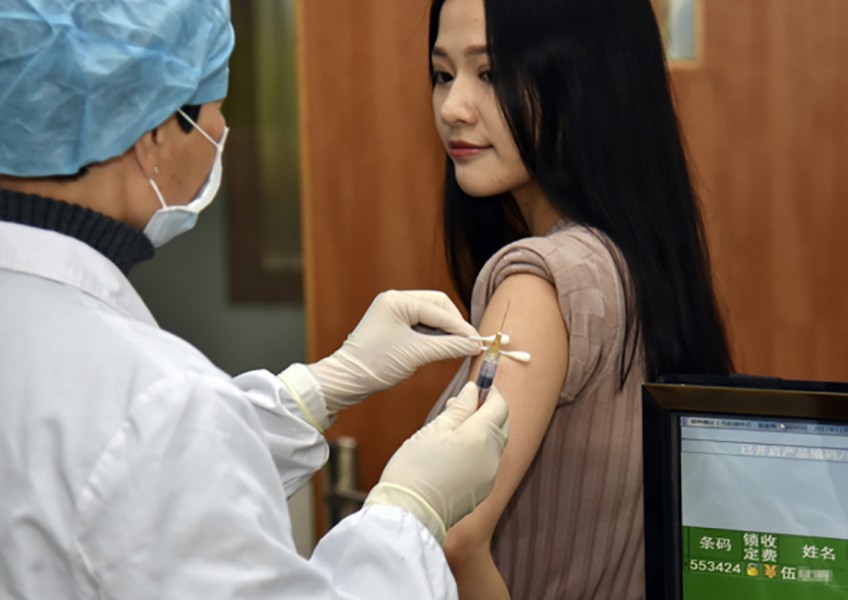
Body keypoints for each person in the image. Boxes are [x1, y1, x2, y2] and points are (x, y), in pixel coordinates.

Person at [0, 1, 510, 598]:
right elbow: (149, 457)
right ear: (155, 134)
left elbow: (132, 487)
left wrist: (318, 389)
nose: (220, 132)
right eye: (216, 105)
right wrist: (407, 513)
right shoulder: (155, 406)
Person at [424, 0, 734, 597]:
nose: (453, 108)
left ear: (585, 78)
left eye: (490, 74)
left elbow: (456, 533)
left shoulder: (539, 280)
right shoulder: (635, 260)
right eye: (443, 74)